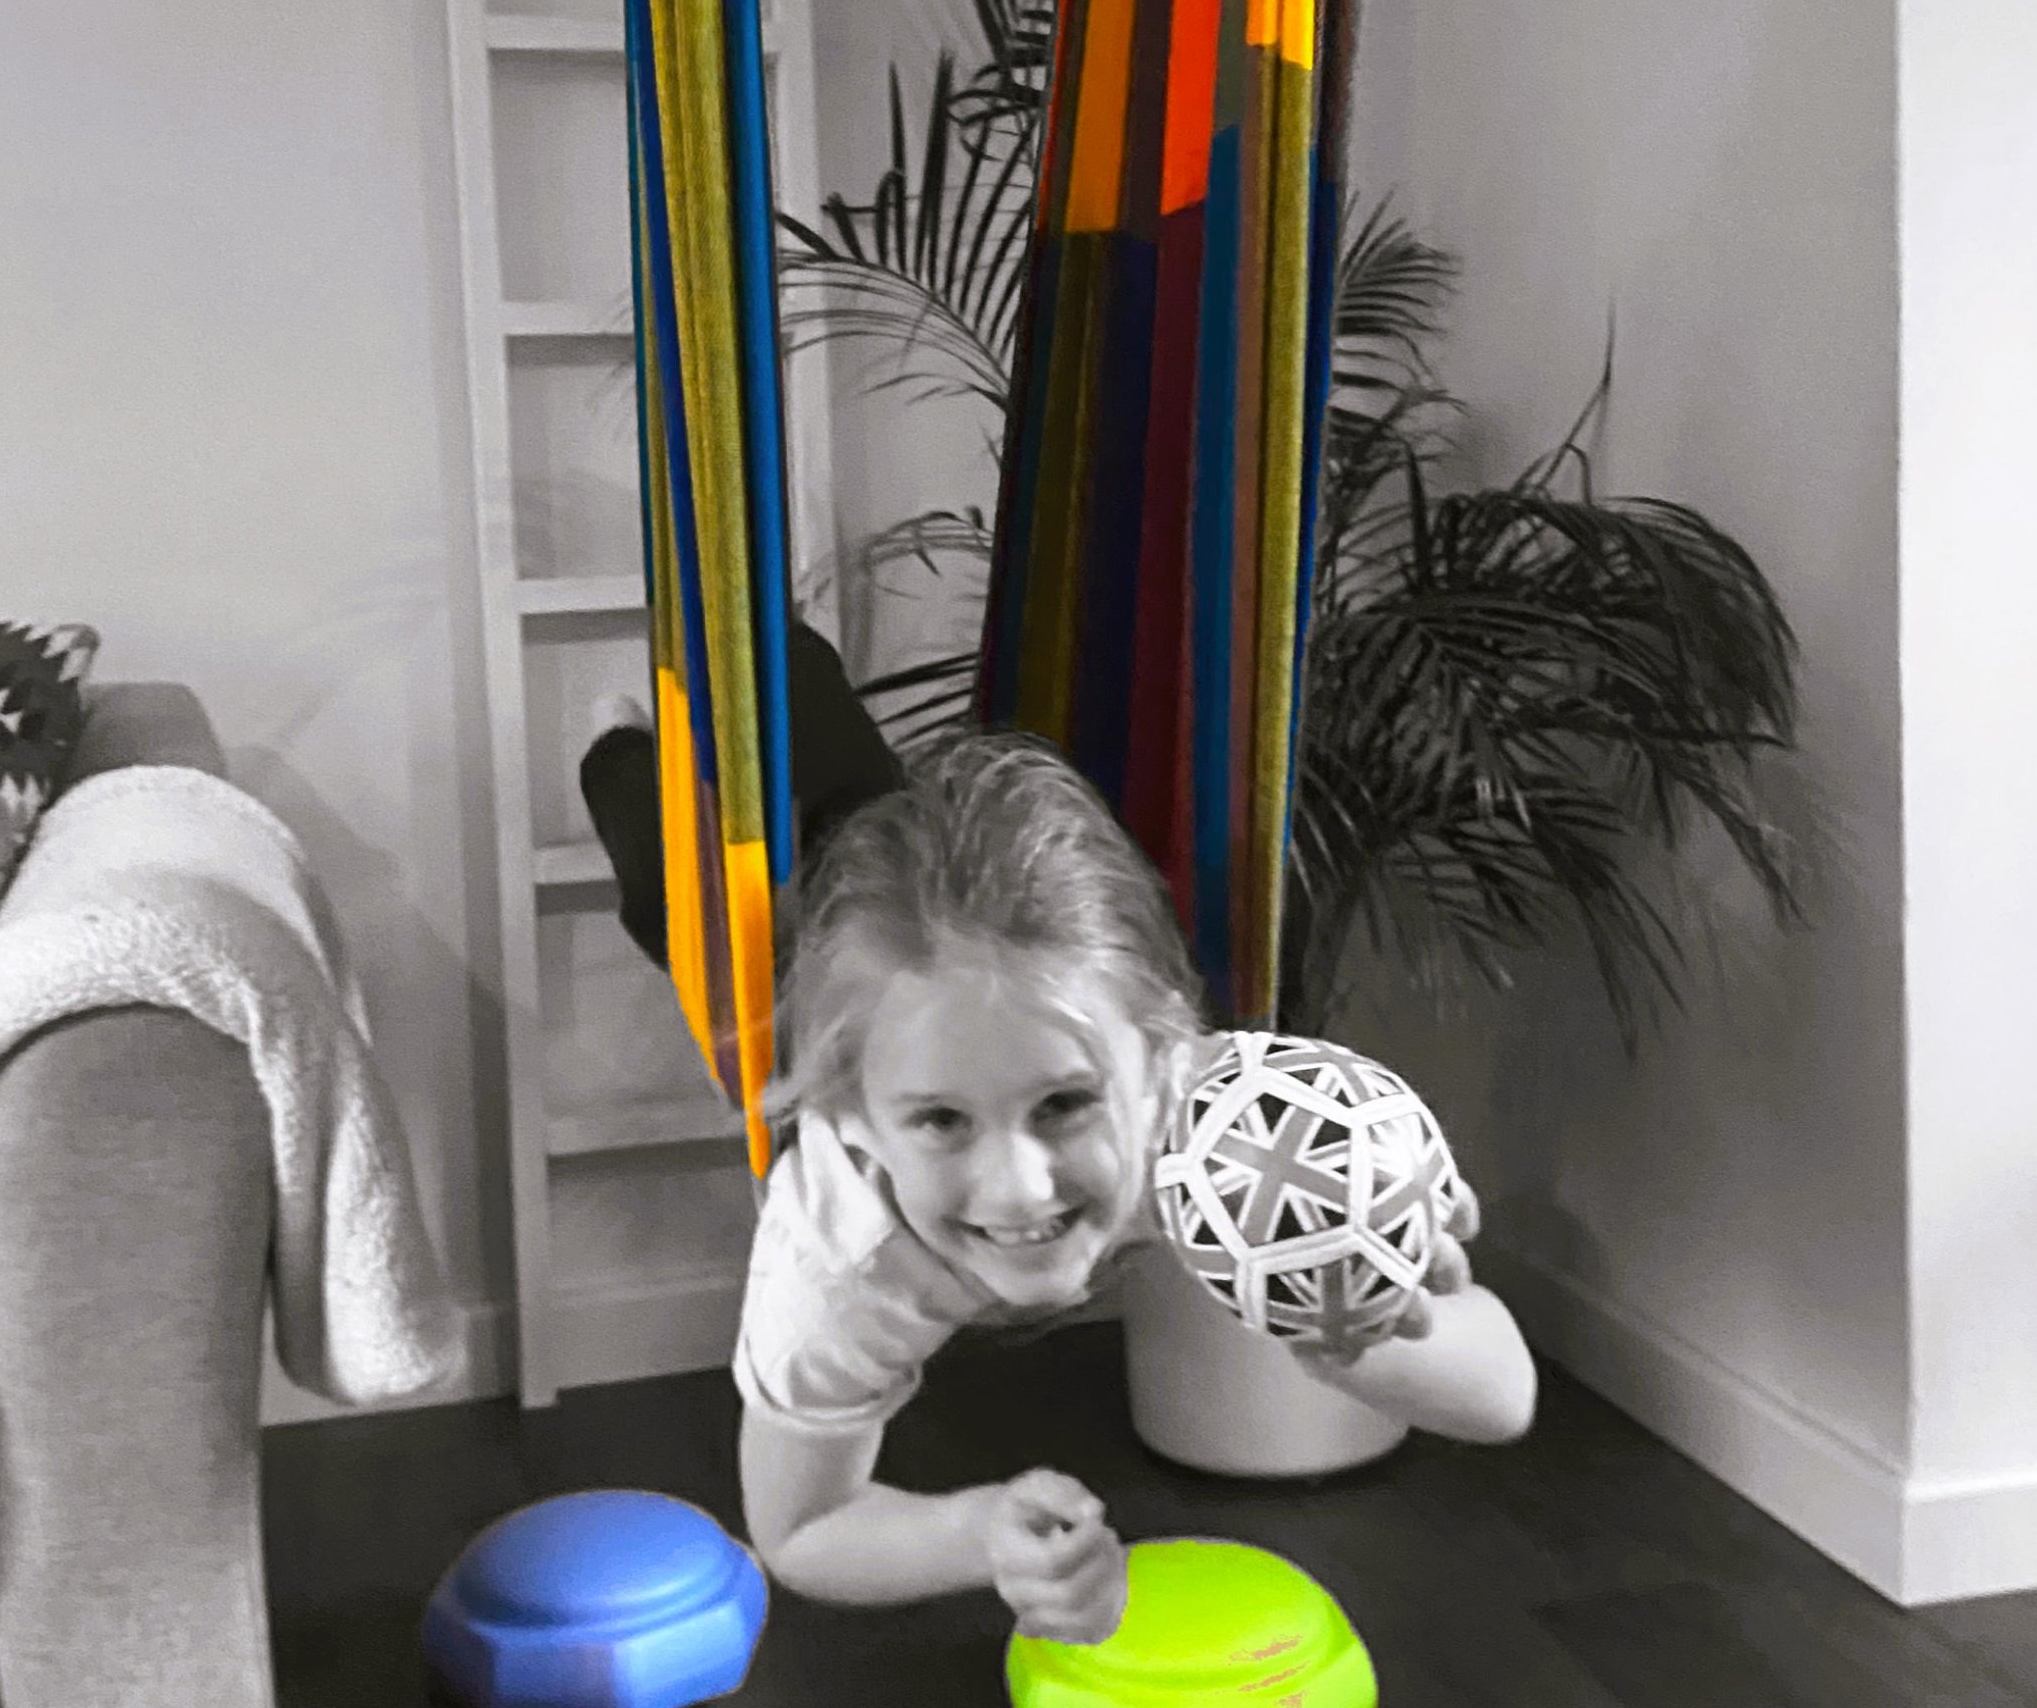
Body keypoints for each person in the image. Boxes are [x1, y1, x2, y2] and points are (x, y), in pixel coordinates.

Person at [579, 624, 1536, 1649]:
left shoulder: (1226, 1135)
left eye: (1066, 1104)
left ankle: (778, 646)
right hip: (800, 994)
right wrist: (971, 1533)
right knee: (666, 881)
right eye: (942, 1120)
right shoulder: (842, 1257)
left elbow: (1504, 1399)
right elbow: (801, 1529)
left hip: (913, 946)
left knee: (841, 765)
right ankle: (615, 736)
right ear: (856, 1122)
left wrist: (1358, 1328)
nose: (1021, 1188)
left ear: (1163, 1056)